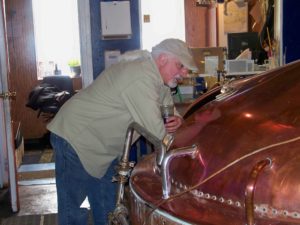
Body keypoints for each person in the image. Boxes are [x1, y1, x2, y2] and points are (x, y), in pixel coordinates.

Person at [47, 38, 197, 225]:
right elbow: (157, 133)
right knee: (73, 211)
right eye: (180, 65)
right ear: (163, 59)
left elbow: (167, 111)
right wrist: (190, 156)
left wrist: (178, 120)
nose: (184, 73)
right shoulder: (140, 76)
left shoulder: (158, 80)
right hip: (76, 137)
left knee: (108, 207)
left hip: (103, 147)